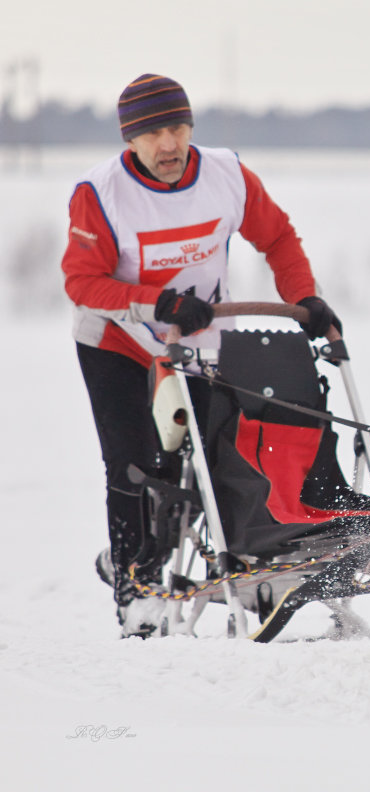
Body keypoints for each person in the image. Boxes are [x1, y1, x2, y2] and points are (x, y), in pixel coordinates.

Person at [61, 74, 341, 637]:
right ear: (130, 140)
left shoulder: (226, 174)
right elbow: (82, 281)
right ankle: (135, 585)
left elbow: (278, 238)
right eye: (154, 133)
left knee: (224, 449)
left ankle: (251, 563)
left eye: (178, 127)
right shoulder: (100, 193)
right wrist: (157, 301)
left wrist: (303, 296)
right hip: (119, 341)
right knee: (138, 461)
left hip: (204, 338)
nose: (169, 144)